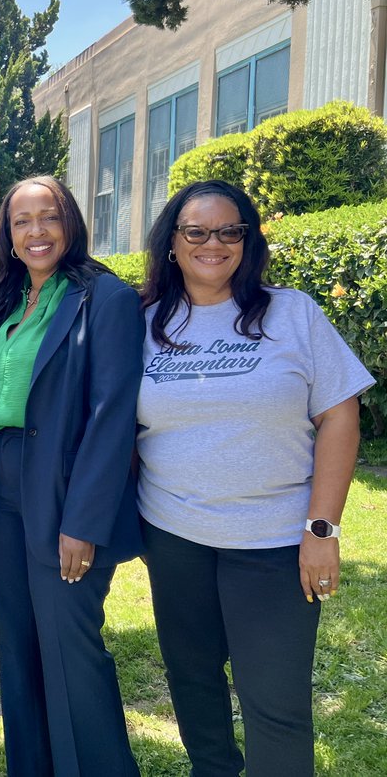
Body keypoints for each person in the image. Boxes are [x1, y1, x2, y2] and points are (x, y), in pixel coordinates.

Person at [137, 179, 372, 776]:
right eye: (196, 231)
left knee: (277, 706)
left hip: (274, 543)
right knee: (194, 689)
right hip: (175, 536)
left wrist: (323, 529)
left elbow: (341, 416)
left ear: (247, 240)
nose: (212, 243)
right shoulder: (142, 323)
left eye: (229, 231)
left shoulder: (292, 312)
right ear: (172, 242)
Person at [0, 176, 142, 776]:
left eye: (48, 217)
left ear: (71, 223)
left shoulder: (106, 299)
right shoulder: (12, 302)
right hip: (1, 493)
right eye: (22, 221)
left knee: (69, 649)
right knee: (19, 647)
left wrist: (84, 521)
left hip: (62, 492)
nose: (36, 231)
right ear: (8, 237)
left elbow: (111, 416)